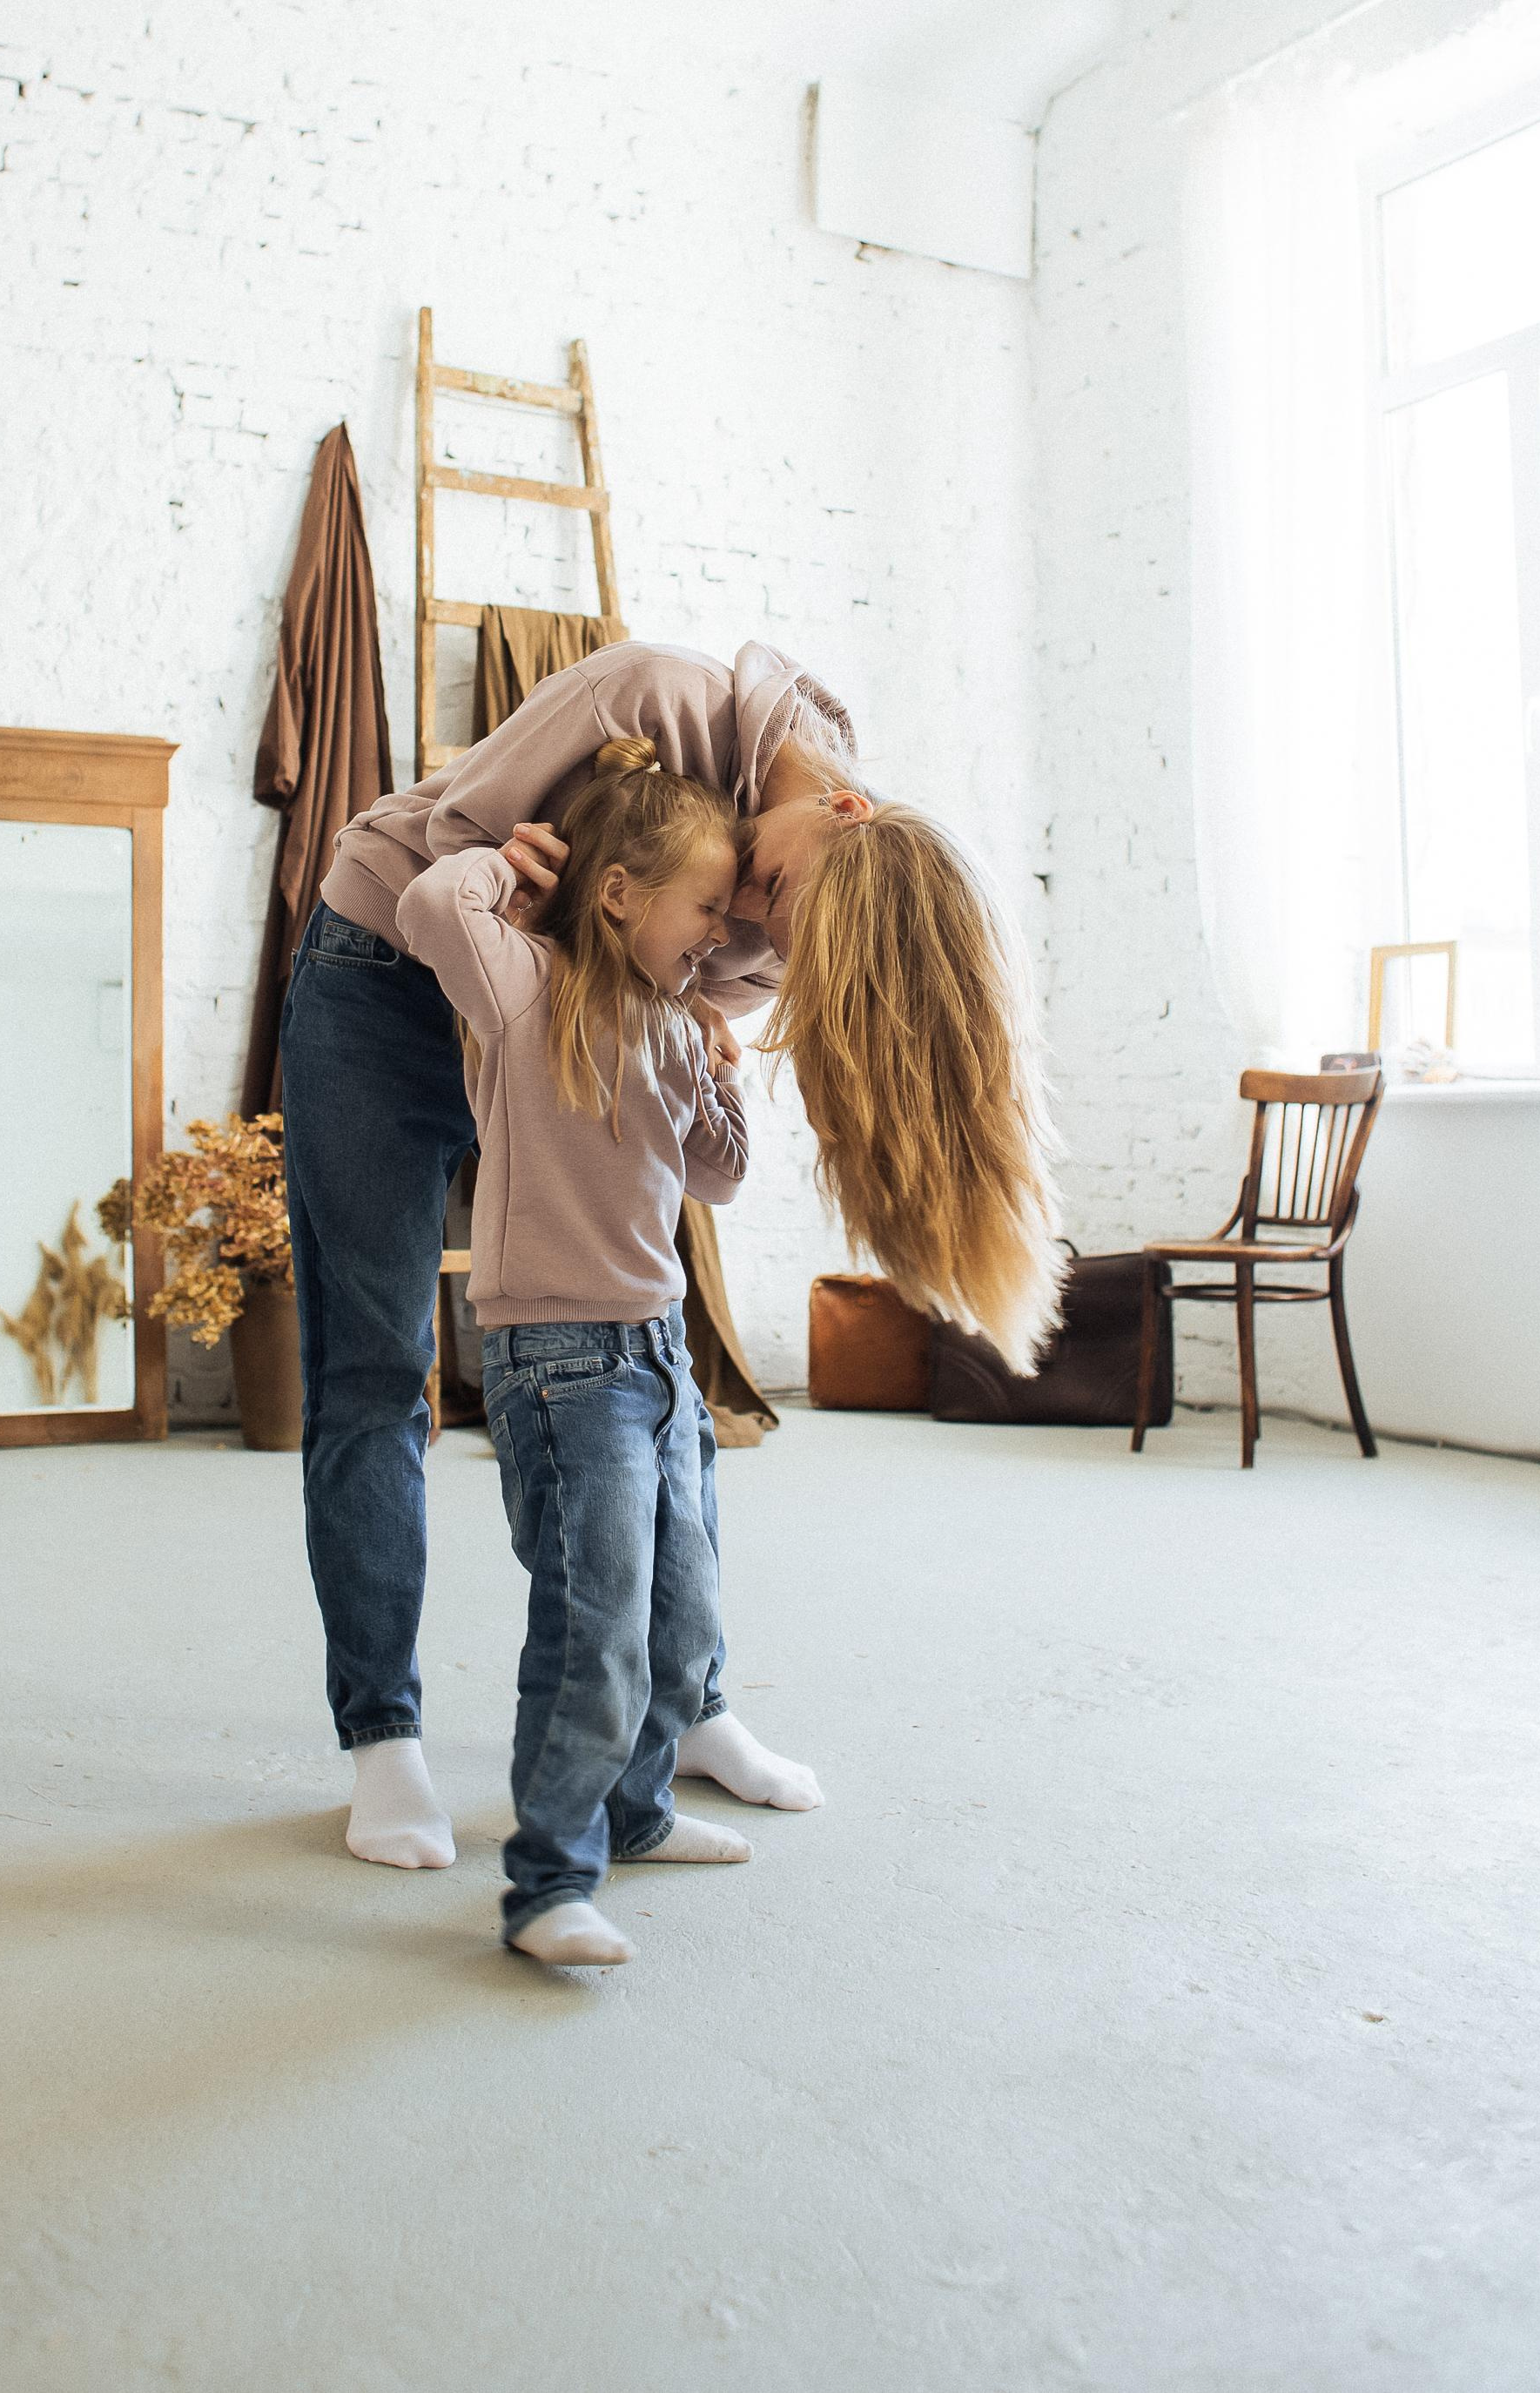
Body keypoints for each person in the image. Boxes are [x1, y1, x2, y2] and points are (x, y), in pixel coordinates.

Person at [280, 638, 1060, 1867]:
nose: (749, 930)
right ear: (839, 810)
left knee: (664, 1397)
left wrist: (700, 1066)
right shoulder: (654, 698)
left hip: (555, 1019)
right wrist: (499, 872)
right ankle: (384, 1740)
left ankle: (688, 1712)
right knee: (376, 1371)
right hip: (385, 981)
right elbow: (454, 843)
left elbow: (673, 1025)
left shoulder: (791, 917)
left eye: (775, 944)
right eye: (777, 904)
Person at [395, 739, 752, 1965]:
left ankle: (640, 1814)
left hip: (659, 1358)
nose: (719, 931)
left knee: (679, 1620)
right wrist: (510, 862)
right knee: (591, 1625)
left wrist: (720, 1075)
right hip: (561, 1361)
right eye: (704, 905)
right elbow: (429, 899)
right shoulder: (525, 987)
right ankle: (549, 1881)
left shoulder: (666, 1018)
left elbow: (716, 1177)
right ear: (618, 894)